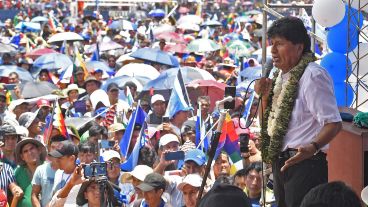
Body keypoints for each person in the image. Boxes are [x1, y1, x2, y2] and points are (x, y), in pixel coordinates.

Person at [254, 17, 342, 207]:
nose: (273, 51)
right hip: (281, 163)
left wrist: (313, 147)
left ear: (299, 47)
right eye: (272, 44)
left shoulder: (312, 75)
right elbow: (266, 124)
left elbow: (334, 123)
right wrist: (264, 97)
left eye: (280, 44)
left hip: (306, 164)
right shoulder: (280, 77)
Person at [31, 135, 65, 207]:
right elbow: (34, 195)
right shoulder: (41, 170)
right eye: (53, 147)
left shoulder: (70, 170)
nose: (55, 150)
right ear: (49, 149)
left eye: (58, 147)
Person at [14, 138, 47, 207]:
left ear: (39, 150)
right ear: (22, 157)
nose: (29, 152)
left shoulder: (49, 169)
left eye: (32, 148)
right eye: (25, 151)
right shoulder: (17, 172)